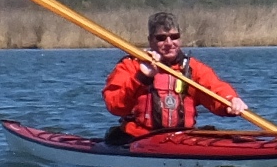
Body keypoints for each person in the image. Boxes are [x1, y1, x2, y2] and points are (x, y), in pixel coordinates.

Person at [102, 12, 248, 144]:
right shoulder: (131, 66)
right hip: (139, 138)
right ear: (150, 40)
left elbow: (215, 88)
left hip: (181, 138)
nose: (169, 43)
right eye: (161, 38)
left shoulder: (192, 68)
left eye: (174, 37)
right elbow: (115, 106)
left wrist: (231, 100)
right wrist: (142, 78)